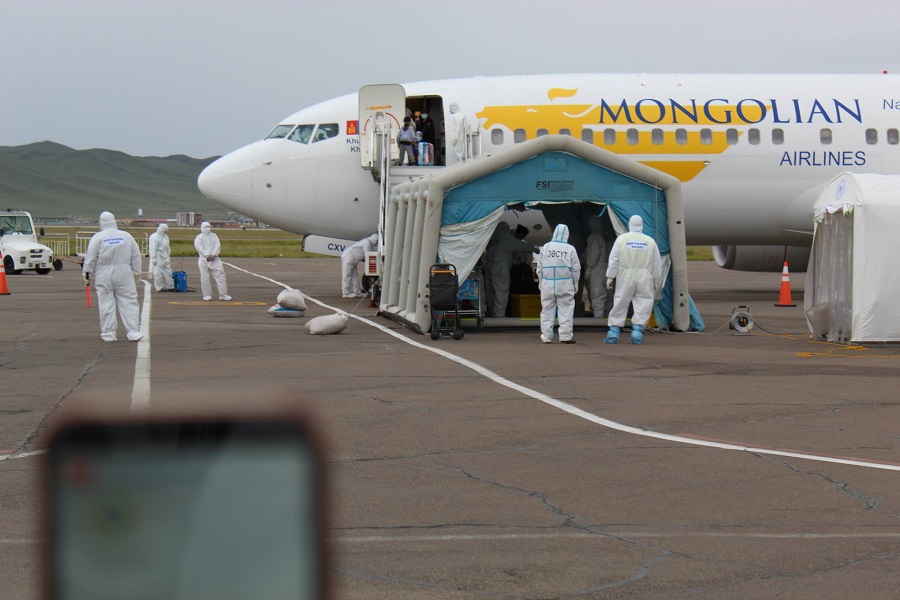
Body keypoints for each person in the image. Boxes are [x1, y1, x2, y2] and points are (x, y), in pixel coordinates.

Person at [82, 211, 143, 342]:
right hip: (124, 272)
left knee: (106, 303)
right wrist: (137, 273)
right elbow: (136, 255)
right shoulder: (126, 236)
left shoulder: (98, 238)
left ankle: (108, 333)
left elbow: (90, 258)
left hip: (104, 274)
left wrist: (86, 273)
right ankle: (133, 331)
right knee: (129, 301)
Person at [604, 215, 663, 344]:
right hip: (645, 276)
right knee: (643, 302)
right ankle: (637, 331)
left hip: (626, 275)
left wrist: (610, 276)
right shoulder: (650, 241)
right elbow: (656, 263)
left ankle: (613, 332)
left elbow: (614, 259)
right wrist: (656, 280)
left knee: (620, 301)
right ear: (642, 225)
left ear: (629, 224)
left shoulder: (622, 239)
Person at [536, 223, 581, 344]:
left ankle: (546, 336)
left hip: (548, 283)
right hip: (565, 283)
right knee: (566, 309)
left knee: (547, 309)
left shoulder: (546, 247)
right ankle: (565, 336)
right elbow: (575, 268)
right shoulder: (570, 249)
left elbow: (540, 266)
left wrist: (540, 279)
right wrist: (575, 282)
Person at [486, 222, 535, 317]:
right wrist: (537, 250)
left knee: (490, 291)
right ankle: (499, 313)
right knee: (501, 290)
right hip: (501, 266)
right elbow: (525, 247)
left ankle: (491, 310)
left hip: (489, 265)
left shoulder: (491, 238)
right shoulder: (507, 239)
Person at [194, 222, 232, 301]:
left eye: (209, 226)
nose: (208, 228)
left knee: (221, 276)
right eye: (206, 227)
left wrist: (214, 254)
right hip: (204, 260)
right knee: (205, 278)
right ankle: (206, 295)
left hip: (215, 260)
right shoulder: (199, 238)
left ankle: (223, 294)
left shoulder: (214, 236)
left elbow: (218, 246)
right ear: (202, 228)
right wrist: (207, 255)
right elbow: (199, 248)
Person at [583, 215, 610, 318]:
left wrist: (588, 269)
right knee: (609, 297)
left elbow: (593, 255)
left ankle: (598, 320)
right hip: (610, 269)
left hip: (598, 269)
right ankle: (609, 320)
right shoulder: (609, 236)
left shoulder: (595, 237)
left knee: (597, 296)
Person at [341, 233, 378, 298]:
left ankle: (357, 292)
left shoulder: (368, 242)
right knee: (347, 275)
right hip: (349, 257)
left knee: (355, 276)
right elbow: (368, 254)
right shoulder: (366, 243)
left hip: (353, 259)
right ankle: (346, 292)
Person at [148, 223, 173, 292]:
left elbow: (167, 247)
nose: (165, 233)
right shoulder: (154, 237)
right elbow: (152, 248)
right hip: (157, 255)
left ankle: (170, 286)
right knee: (157, 272)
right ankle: (159, 287)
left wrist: (168, 255)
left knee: (168, 271)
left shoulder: (166, 237)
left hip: (164, 255)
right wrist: (153, 257)